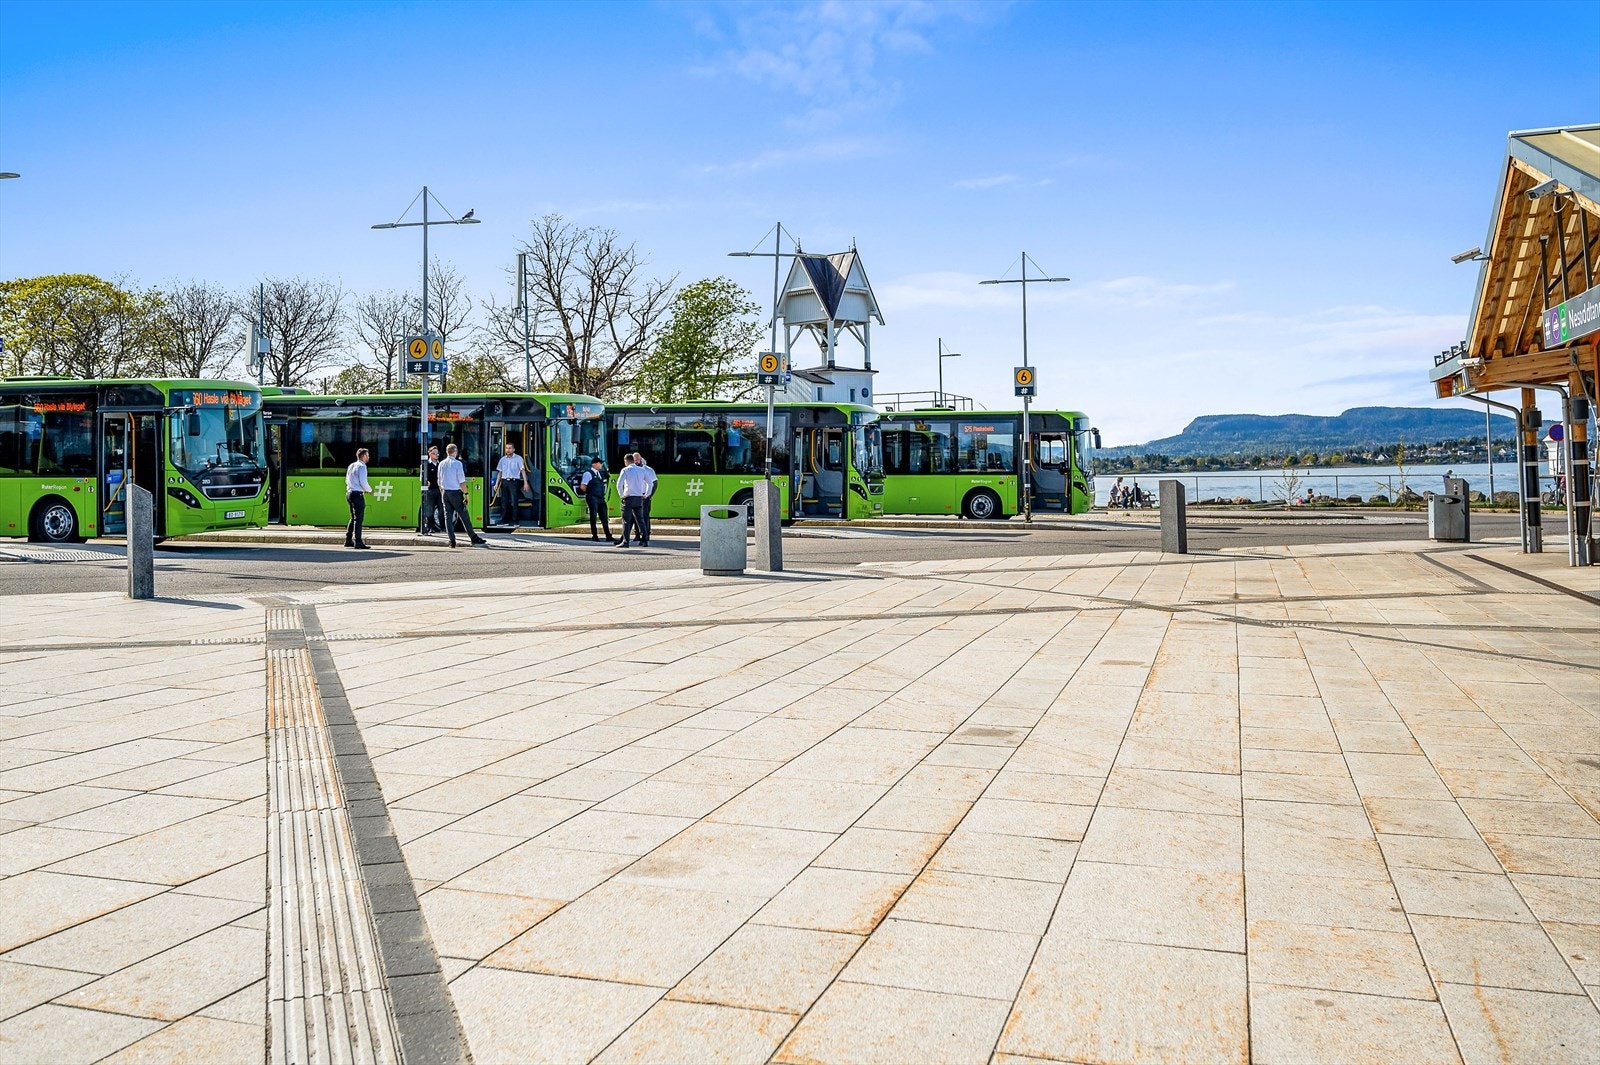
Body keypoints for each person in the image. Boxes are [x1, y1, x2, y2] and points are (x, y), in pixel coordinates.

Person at [438, 443, 487, 548]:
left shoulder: (441, 464)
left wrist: (443, 492)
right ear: (455, 452)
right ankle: (473, 538)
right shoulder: (457, 464)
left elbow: (439, 481)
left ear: (447, 452)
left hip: (445, 492)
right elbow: (462, 482)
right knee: (464, 515)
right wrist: (466, 494)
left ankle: (452, 541)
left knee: (448, 517)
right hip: (455, 493)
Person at [615, 453, 651, 548]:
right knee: (640, 520)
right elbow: (650, 483)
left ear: (626, 461)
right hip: (639, 498)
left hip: (629, 498)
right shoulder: (642, 470)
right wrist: (646, 494)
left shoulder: (625, 470)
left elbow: (619, 484)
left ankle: (625, 542)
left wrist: (622, 495)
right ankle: (645, 540)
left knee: (626, 520)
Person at [493, 441, 531, 528]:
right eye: (507, 448)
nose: (508, 450)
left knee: (514, 501)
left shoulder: (518, 459)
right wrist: (496, 483)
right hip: (504, 481)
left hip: (514, 481)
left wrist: (525, 482)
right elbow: (500, 472)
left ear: (514, 449)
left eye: (510, 448)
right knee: (504, 501)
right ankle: (504, 520)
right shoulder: (502, 459)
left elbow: (522, 471)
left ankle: (515, 520)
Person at [345, 447, 373, 549]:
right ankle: (358, 542)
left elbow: (347, 480)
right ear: (364, 456)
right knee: (358, 519)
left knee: (353, 518)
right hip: (357, 494)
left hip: (349, 493)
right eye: (368, 455)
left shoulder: (351, 465)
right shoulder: (362, 466)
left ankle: (348, 540)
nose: (368, 457)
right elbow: (363, 482)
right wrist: (370, 490)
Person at [580, 458, 613, 542]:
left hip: (601, 498)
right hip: (592, 498)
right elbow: (583, 486)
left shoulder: (600, 473)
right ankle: (595, 535)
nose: (601, 465)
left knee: (604, 517)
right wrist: (591, 491)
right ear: (594, 464)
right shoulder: (588, 473)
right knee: (593, 517)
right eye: (600, 463)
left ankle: (608, 536)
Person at [634, 452, 657, 546]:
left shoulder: (648, 470)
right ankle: (637, 534)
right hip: (635, 495)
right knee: (635, 516)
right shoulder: (632, 470)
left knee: (644, 516)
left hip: (644, 496)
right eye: (634, 460)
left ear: (640, 459)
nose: (636, 462)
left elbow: (654, 483)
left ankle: (646, 534)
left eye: (637, 460)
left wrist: (649, 495)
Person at [421, 445, 444, 535]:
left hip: (440, 489)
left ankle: (443, 527)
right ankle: (430, 527)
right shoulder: (426, 464)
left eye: (438, 453)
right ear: (430, 454)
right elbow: (421, 477)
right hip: (430, 490)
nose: (437, 455)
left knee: (441, 509)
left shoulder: (440, 464)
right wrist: (425, 482)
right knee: (430, 510)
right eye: (435, 453)